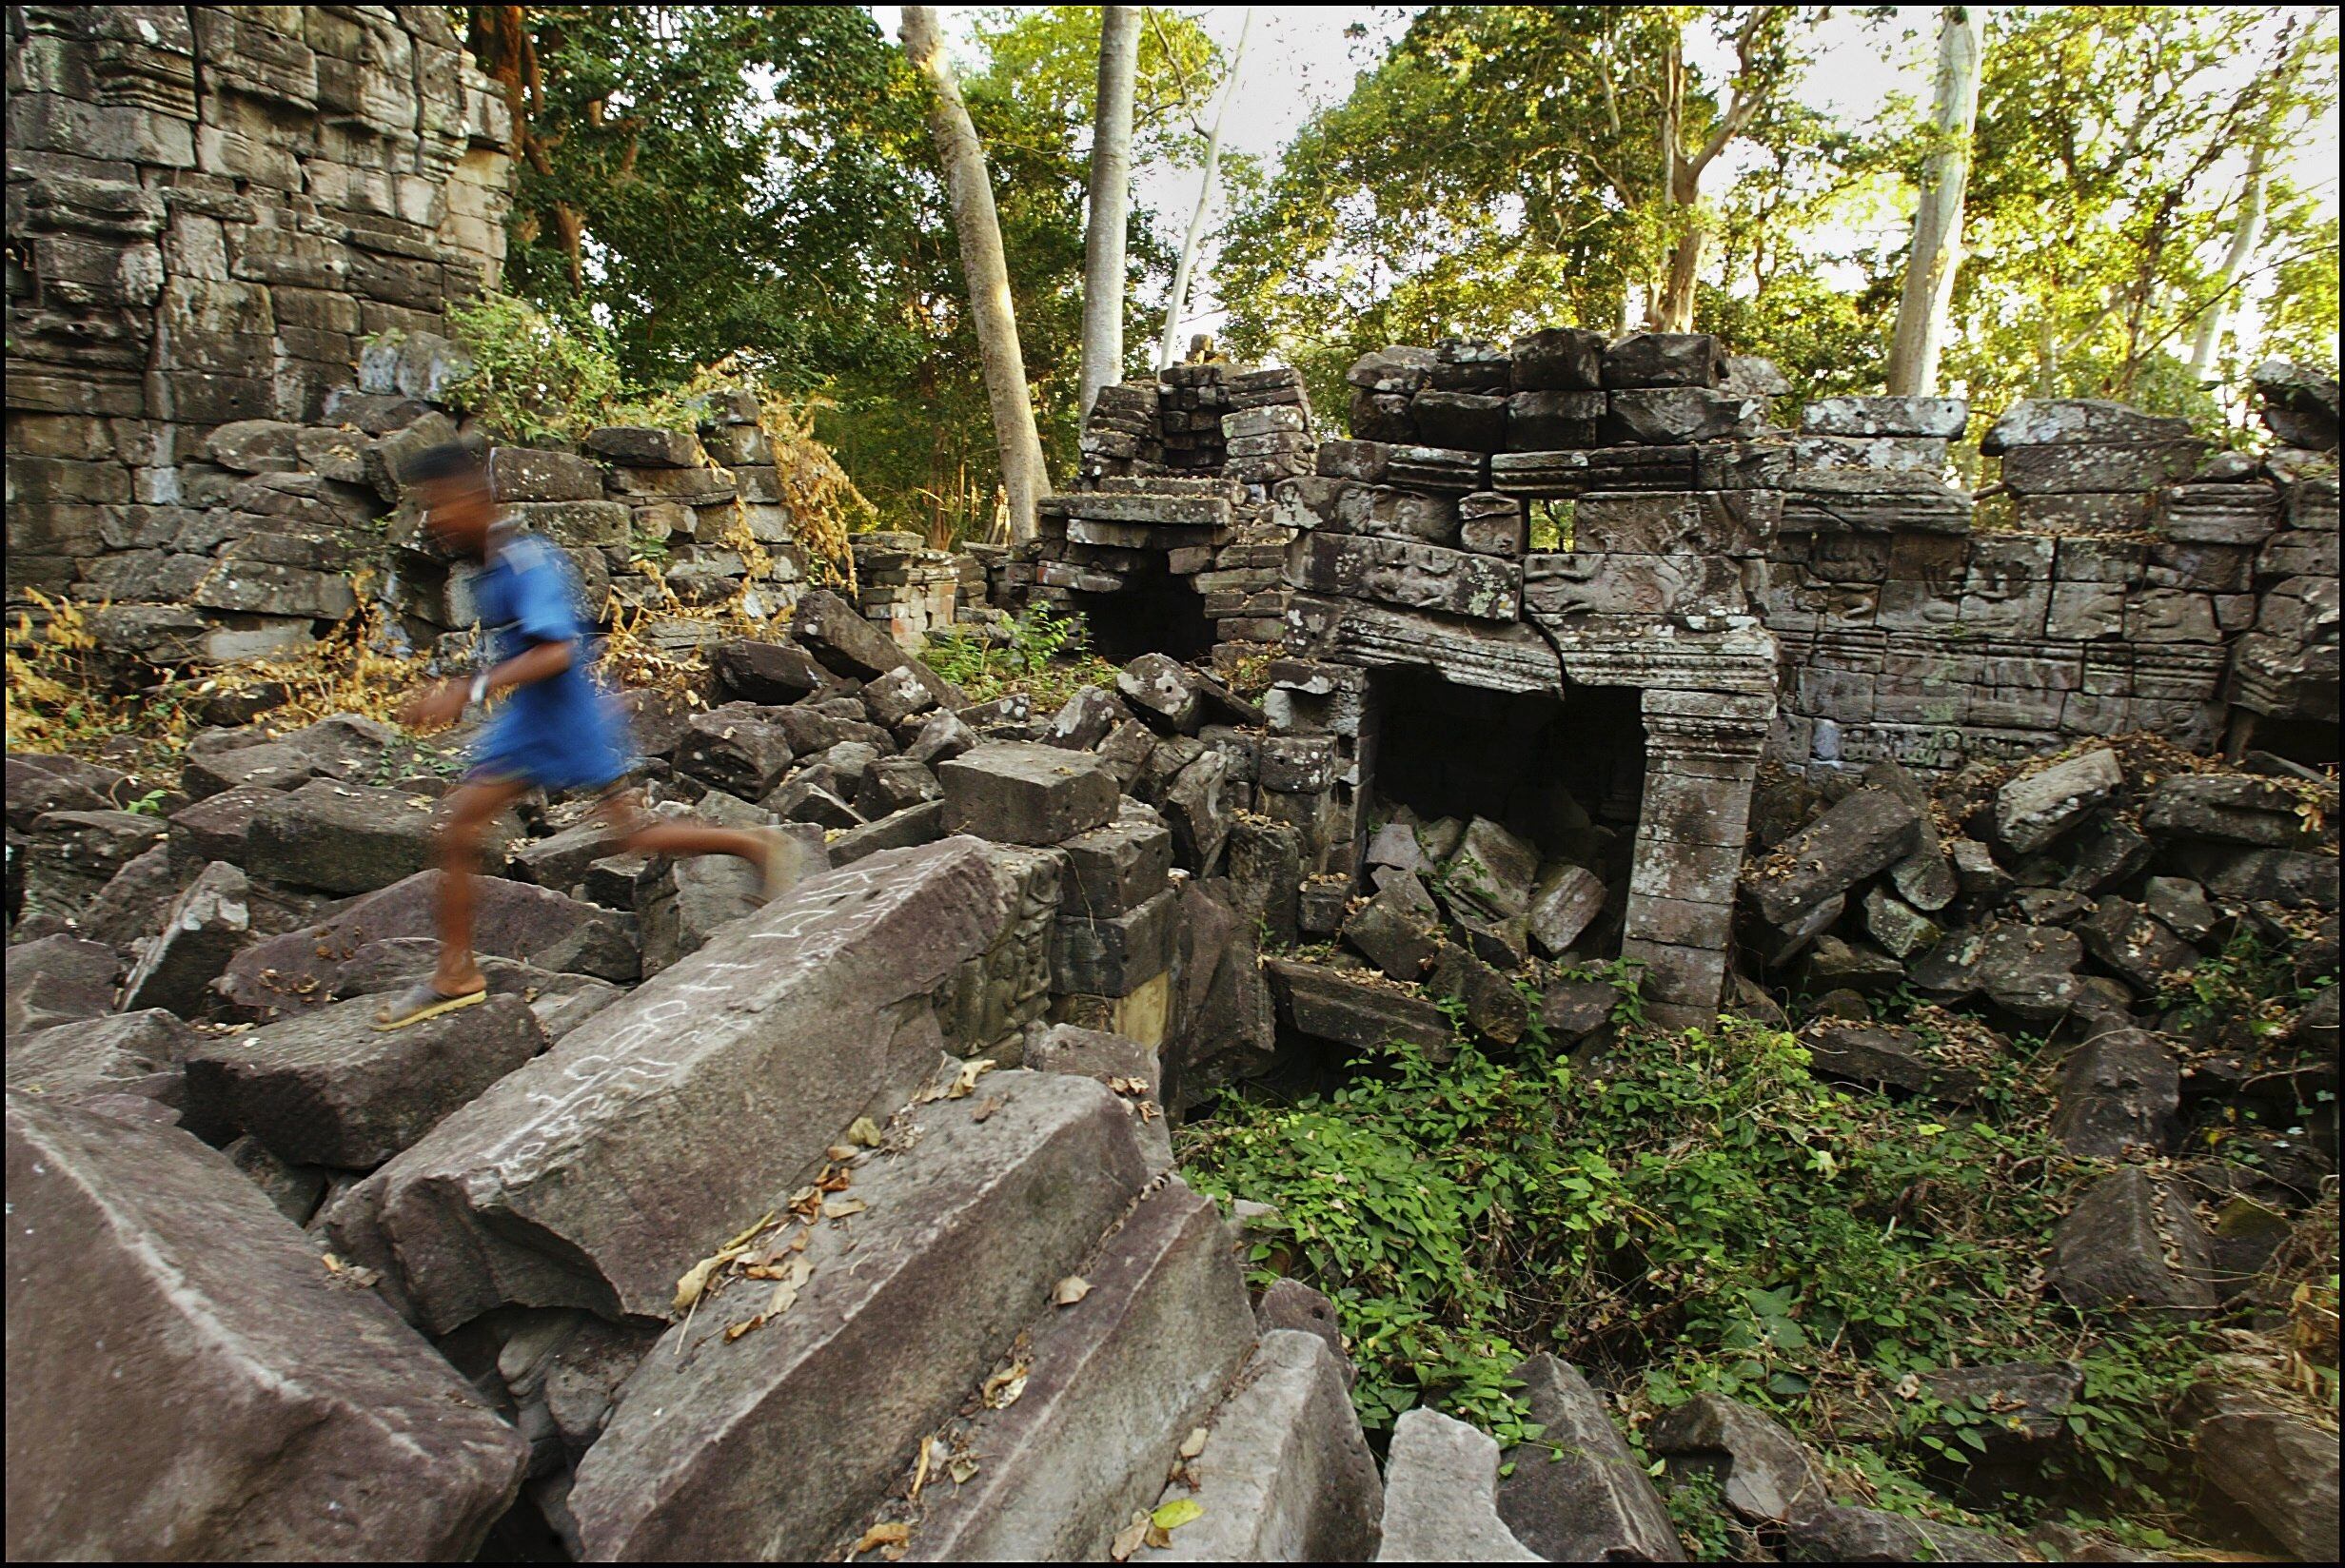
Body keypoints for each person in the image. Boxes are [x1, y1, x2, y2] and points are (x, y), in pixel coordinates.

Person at [373, 441, 792, 1029]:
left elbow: (559, 650)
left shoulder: (526, 562)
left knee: (633, 835)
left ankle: (754, 845)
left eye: (438, 506)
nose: (433, 523)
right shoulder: (487, 566)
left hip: (566, 717)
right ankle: (456, 973)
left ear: (474, 498)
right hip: (531, 718)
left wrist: (466, 691)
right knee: (463, 821)